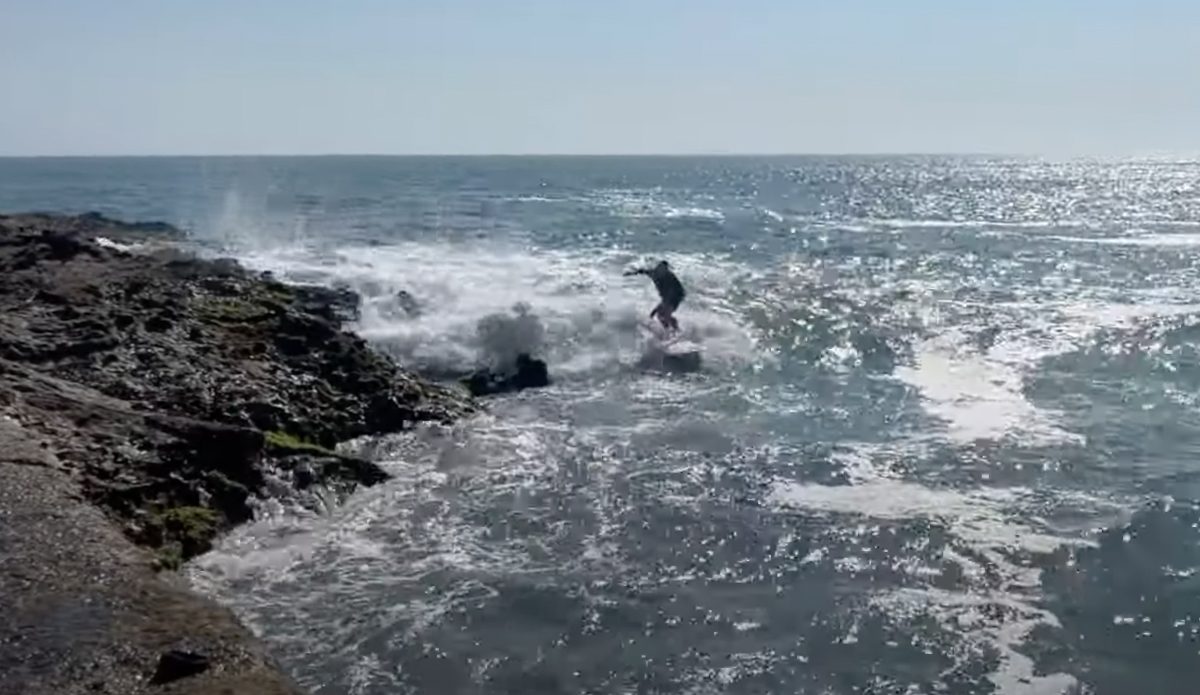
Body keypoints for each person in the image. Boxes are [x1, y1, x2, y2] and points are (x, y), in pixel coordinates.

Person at [624, 260, 685, 334]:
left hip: (676, 297)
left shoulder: (670, 277)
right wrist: (631, 273)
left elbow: (677, 291)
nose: (663, 272)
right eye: (661, 269)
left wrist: (664, 303)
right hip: (666, 298)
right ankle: (671, 329)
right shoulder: (654, 273)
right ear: (658, 268)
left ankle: (674, 331)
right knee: (659, 315)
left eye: (665, 270)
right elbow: (643, 271)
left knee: (664, 314)